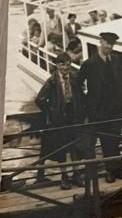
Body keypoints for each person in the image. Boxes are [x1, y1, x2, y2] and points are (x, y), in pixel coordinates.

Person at [76, 32, 122, 182]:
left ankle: (117, 170)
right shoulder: (90, 63)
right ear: (100, 42)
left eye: (112, 44)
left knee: (115, 139)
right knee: (105, 140)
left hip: (116, 108)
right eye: (107, 43)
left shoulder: (116, 59)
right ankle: (110, 171)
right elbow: (78, 84)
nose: (109, 46)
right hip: (99, 111)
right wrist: (86, 103)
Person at [35, 52, 88, 189]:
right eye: (63, 65)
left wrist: (82, 110)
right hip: (59, 119)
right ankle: (64, 177)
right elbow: (39, 99)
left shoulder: (74, 77)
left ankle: (76, 174)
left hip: (73, 116)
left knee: (75, 147)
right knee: (61, 149)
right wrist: (51, 111)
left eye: (68, 64)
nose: (66, 67)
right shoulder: (52, 81)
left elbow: (81, 96)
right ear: (57, 65)